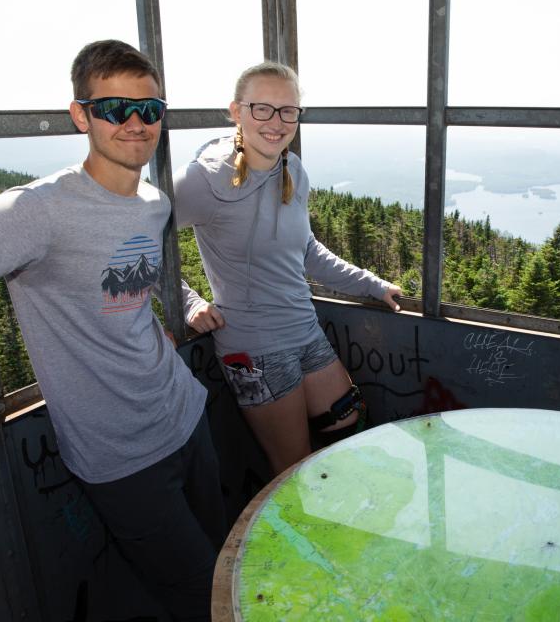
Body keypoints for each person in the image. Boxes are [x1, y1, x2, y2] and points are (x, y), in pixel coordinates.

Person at [0, 40, 225, 621]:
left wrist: (148, 320)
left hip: (186, 414)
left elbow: (124, 279)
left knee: (226, 561)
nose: (136, 124)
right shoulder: (38, 210)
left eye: (150, 109)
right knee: (205, 601)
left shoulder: (151, 202)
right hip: (123, 458)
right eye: (115, 109)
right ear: (81, 115)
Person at [172, 62, 402, 477]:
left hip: (303, 327)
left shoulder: (291, 169)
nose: (276, 122)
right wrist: (187, 302)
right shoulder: (205, 180)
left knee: (348, 423)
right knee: (293, 471)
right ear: (236, 111)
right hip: (254, 348)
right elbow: (136, 238)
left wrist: (372, 284)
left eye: (288, 110)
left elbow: (308, 251)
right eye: (262, 108)